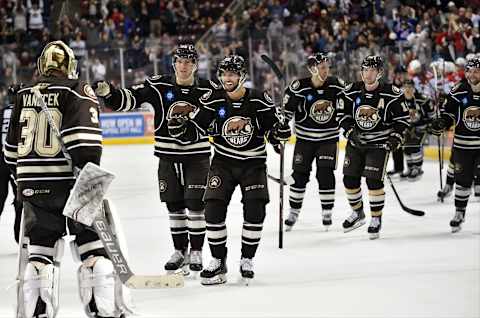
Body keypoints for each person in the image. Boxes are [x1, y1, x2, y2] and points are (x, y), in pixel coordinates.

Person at [4, 40, 127, 317]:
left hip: (31, 186)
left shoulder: (24, 95)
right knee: (94, 249)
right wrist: (90, 183)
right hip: (70, 182)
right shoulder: (77, 89)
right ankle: (101, 308)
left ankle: (38, 309)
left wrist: (26, 181)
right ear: (69, 66)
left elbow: (11, 153)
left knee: (40, 253)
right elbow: (86, 145)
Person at [94, 44, 218, 275]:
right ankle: (180, 250)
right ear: (173, 63)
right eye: (180, 61)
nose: (184, 66)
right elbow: (129, 98)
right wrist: (109, 92)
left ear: (195, 65)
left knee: (195, 205)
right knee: (174, 206)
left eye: (189, 62)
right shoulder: (158, 86)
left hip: (197, 157)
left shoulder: (209, 90)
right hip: (168, 157)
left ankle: (197, 251)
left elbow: (226, 115)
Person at [168, 55, 291, 284]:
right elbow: (197, 129)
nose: (227, 78)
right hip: (223, 163)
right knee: (212, 210)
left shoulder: (258, 99)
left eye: (232, 74)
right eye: (224, 73)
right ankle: (218, 261)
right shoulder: (212, 99)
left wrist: (280, 135)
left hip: (253, 164)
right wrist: (181, 130)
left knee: (255, 210)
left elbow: (274, 134)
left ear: (242, 76)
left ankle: (247, 258)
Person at [337, 55, 410, 240]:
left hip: (378, 145)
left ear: (379, 73)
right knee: (349, 180)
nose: (367, 74)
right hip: (356, 143)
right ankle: (358, 212)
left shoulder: (392, 93)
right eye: (365, 70)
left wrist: (395, 138)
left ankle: (376, 218)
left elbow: (402, 120)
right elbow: (342, 114)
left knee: (373, 182)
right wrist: (350, 132)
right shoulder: (351, 91)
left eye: (371, 70)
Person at [282, 53, 345, 231]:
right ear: (312, 69)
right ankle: (294, 211)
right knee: (299, 176)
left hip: (328, 139)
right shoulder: (298, 87)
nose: (326, 70)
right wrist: (282, 126)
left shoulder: (337, 85)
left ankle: (327, 212)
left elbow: (351, 103)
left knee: (325, 174)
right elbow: (286, 112)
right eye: (322, 67)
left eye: (327, 67)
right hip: (304, 140)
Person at [430, 56, 480, 232]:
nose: (472, 74)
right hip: (463, 146)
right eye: (469, 71)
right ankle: (460, 212)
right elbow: (448, 113)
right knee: (463, 181)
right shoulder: (459, 89)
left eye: (476, 71)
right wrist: (441, 122)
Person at [1, 85, 22, 243]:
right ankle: (20, 236)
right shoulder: (24, 111)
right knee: (21, 199)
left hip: (1, 161)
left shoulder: (2, 112)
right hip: (17, 160)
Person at [401, 79, 434, 181]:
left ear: (414, 88)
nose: (407, 89)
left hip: (420, 128)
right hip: (406, 128)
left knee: (415, 147)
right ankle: (410, 168)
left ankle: (417, 168)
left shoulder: (422, 99)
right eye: (405, 87)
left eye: (410, 87)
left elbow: (431, 113)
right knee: (406, 148)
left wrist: (430, 124)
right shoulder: (399, 100)